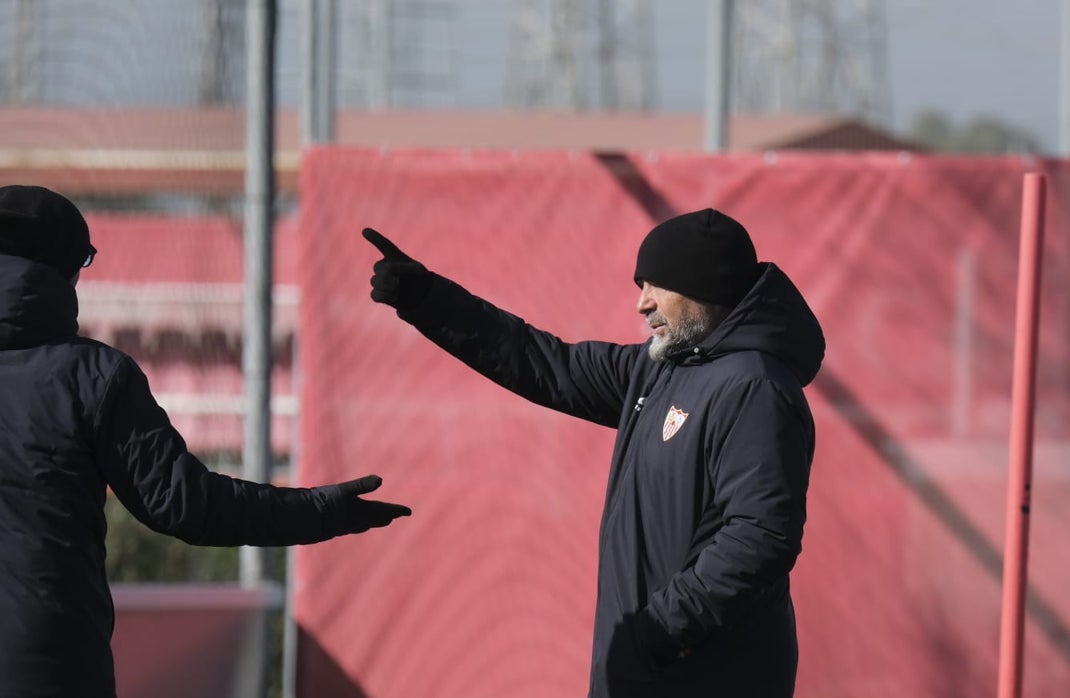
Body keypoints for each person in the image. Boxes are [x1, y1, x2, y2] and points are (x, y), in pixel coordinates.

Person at [364, 208, 825, 698]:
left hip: (702, 675)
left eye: (656, 286)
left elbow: (759, 536)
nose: (642, 304)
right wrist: (429, 300)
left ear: (704, 288)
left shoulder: (754, 388)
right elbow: (543, 361)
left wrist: (661, 630)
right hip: (647, 670)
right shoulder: (660, 369)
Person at [0, 184, 412, 698]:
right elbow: (186, 505)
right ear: (66, 271)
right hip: (45, 661)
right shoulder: (93, 378)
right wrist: (319, 512)